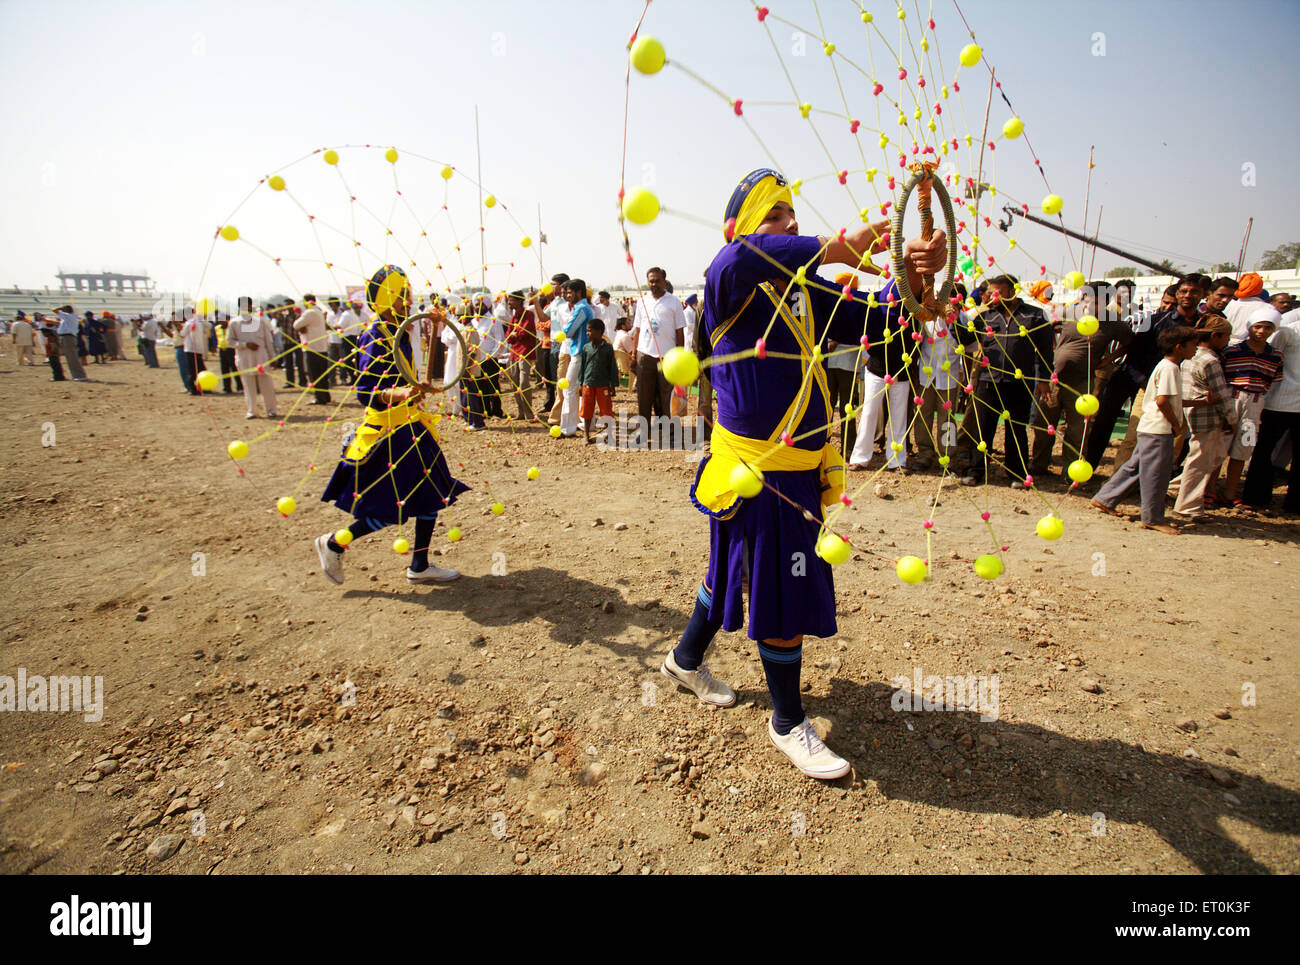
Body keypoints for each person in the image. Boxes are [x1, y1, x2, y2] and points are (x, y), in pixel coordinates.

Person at [662, 166, 946, 780]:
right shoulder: (730, 272)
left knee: (730, 572)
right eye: (774, 214)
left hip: (794, 469)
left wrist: (912, 281)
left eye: (792, 211)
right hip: (757, 472)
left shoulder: (806, 293)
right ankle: (787, 722)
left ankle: (685, 660)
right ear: (742, 228)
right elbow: (778, 248)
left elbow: (876, 324)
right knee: (781, 590)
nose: (788, 222)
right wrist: (884, 237)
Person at [315, 265, 467, 585]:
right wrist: (397, 393)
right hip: (390, 434)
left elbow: (412, 370)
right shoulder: (375, 334)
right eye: (400, 294)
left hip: (413, 427)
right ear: (385, 299)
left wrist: (436, 330)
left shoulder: (401, 330)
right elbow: (364, 392)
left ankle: (420, 565)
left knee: (430, 495)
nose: (407, 299)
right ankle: (333, 544)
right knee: (388, 507)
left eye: (408, 292)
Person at [1091, 326, 1200, 533]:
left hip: (1150, 426)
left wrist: (1201, 403)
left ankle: (1105, 498)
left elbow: (1169, 399)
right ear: (1179, 347)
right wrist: (1176, 425)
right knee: (1156, 474)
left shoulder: (1165, 366)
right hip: (1159, 429)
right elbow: (1163, 401)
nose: (1195, 349)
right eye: (1193, 345)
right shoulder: (1170, 368)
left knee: (1136, 467)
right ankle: (1152, 517)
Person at [1089, 279, 1196, 471]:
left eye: (1171, 304)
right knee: (1103, 423)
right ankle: (1088, 466)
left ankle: (1133, 474)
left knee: (1139, 431)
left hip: (1154, 384)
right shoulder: (1153, 320)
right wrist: (1139, 378)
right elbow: (1134, 349)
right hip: (1129, 374)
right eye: (1166, 302)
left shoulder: (1197, 324)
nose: (1168, 306)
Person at [959, 275, 1054, 487]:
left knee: (1016, 429)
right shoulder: (985, 317)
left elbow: (1046, 349)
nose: (994, 297)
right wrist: (955, 317)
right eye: (992, 292)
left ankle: (1017, 473)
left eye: (999, 292)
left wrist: (1044, 379)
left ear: (1012, 291)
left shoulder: (1035, 316)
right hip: (988, 380)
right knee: (983, 428)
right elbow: (965, 338)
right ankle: (975, 471)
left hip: (1020, 382)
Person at [1030, 283, 1132, 477]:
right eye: (1089, 298)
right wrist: (1053, 349)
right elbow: (1046, 329)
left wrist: (1107, 360)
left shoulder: (1112, 321)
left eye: (1098, 300)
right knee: (1043, 424)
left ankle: (1071, 471)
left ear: (1106, 300)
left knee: (1077, 430)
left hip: (1082, 382)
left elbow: (1130, 342)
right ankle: (1039, 465)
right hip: (1054, 379)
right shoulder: (1068, 312)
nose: (1092, 303)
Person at [1171, 316, 1234, 519]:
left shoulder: (1192, 356)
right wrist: (1232, 418)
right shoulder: (1210, 360)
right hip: (1208, 415)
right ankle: (1187, 505)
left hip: (1192, 412)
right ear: (1216, 336)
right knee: (1201, 462)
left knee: (1200, 458)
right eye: (1226, 337)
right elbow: (1221, 394)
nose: (1228, 341)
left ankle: (1173, 489)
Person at [1223, 308, 1285, 505]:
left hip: (1255, 404)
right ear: (1250, 327)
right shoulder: (1232, 351)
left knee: (1244, 446)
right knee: (1221, 444)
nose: (1261, 331)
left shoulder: (1276, 356)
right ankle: (1208, 490)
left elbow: (1274, 379)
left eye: (1267, 327)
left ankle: (1230, 494)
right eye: (1258, 326)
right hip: (1232, 398)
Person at [1241, 311, 1300, 515]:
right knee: (1264, 450)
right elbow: (1269, 357)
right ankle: (1255, 498)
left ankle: (1294, 504)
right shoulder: (1289, 332)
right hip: (1279, 402)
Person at [630, 267, 686, 429]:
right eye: (651, 281)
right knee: (644, 395)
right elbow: (638, 329)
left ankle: (668, 427)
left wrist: (679, 356)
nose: (654, 284)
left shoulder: (674, 302)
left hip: (668, 356)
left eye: (657, 280)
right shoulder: (642, 301)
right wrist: (634, 355)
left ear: (664, 281)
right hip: (645, 355)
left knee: (666, 394)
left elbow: (680, 331)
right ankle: (644, 428)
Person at [228, 298, 278, 418]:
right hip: (244, 358)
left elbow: (268, 341)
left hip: (261, 357)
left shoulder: (260, 321)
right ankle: (252, 411)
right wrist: (245, 345)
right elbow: (230, 341)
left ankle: (271, 410)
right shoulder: (234, 323)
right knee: (248, 386)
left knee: (267, 386)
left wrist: (273, 357)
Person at [558, 280, 593, 438]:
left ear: (579, 292)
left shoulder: (581, 308)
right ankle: (585, 423)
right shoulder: (584, 307)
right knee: (583, 390)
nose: (567, 295)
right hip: (582, 353)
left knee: (570, 389)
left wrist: (560, 334)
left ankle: (568, 428)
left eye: (570, 292)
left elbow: (569, 331)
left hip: (579, 354)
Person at [579, 317, 618, 444]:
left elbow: (612, 367)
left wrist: (613, 385)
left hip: (603, 384)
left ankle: (608, 435)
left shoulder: (608, 348)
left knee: (606, 410)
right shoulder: (586, 348)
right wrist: (581, 383)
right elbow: (582, 366)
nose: (587, 333)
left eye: (590, 331)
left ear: (599, 331)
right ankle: (586, 435)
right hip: (588, 383)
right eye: (587, 331)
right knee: (587, 410)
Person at [504, 290, 539, 421]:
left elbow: (525, 332)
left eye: (511, 300)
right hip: (514, 353)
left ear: (519, 301)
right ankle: (521, 413)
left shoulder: (528, 314)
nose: (509, 303)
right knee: (515, 383)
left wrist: (515, 334)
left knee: (524, 382)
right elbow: (508, 336)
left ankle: (529, 413)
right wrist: (513, 335)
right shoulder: (513, 317)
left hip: (526, 352)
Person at [293, 294, 332, 405]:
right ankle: (325, 396)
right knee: (322, 374)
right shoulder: (319, 311)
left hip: (312, 347)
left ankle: (319, 397)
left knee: (314, 374)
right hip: (322, 347)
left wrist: (301, 327)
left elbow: (296, 325)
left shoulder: (309, 313)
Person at [1225, 272, 1268, 341]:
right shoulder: (1267, 308)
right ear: (1259, 289)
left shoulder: (1227, 304)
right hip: (1250, 346)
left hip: (1225, 343)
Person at [56, 305, 88, 381]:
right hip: (66, 337)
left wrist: (60, 308)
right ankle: (76, 374)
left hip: (68, 337)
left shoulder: (69, 316)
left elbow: (55, 310)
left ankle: (79, 375)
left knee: (72, 357)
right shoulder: (69, 317)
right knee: (70, 357)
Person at [215, 314, 243, 394]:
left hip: (231, 349)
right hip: (222, 350)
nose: (220, 321)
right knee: (224, 369)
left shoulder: (232, 328)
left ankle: (240, 387)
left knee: (234, 369)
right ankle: (227, 388)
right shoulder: (217, 328)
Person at [612, 318, 636, 392]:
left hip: (618, 361)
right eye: (628, 323)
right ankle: (635, 386)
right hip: (626, 362)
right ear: (623, 326)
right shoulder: (624, 336)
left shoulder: (618, 334)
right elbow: (631, 351)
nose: (630, 324)